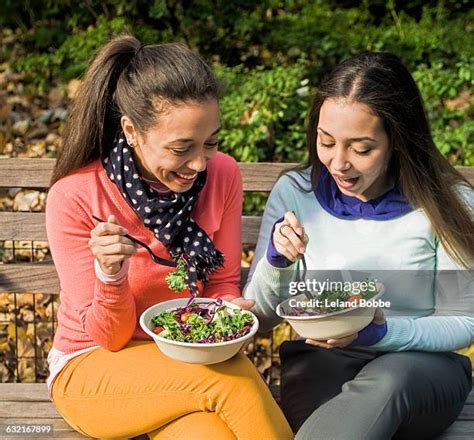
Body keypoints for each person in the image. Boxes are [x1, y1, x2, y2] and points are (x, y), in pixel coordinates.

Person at [45, 34, 293, 439]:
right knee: (235, 380)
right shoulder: (76, 196)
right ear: (131, 130)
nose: (198, 163)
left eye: (210, 142)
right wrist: (110, 275)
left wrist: (229, 313)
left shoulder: (223, 174)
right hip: (93, 368)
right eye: (181, 148)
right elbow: (108, 337)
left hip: (187, 362)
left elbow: (220, 283)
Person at [244, 51, 473, 440]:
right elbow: (261, 318)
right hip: (321, 363)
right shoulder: (296, 193)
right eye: (326, 141)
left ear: (397, 140)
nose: (338, 163)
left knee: (389, 381)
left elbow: (464, 321)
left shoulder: (446, 203)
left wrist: (380, 334)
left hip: (420, 368)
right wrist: (276, 261)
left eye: (361, 148)